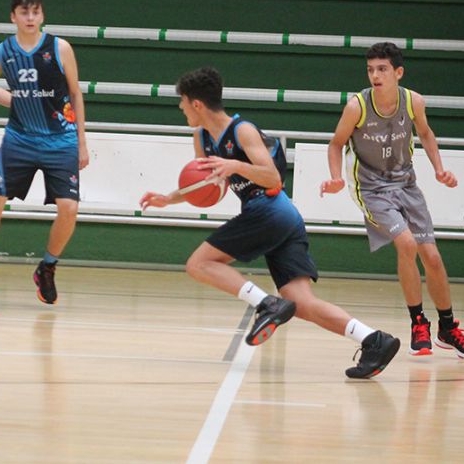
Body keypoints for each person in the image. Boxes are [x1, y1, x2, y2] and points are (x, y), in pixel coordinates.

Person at [141, 67, 400, 379]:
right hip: (282, 218)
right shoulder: (202, 138)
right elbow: (207, 185)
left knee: (199, 264)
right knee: (300, 303)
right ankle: (374, 340)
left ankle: (266, 304)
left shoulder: (242, 131)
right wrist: (169, 198)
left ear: (196, 104)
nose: (181, 109)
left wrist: (235, 164)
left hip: (270, 208)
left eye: (183, 103)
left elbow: (272, 177)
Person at [321, 42, 464, 360]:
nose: (375, 75)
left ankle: (448, 329)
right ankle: (417, 323)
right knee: (406, 244)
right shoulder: (357, 106)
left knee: (433, 258)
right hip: (371, 189)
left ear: (398, 72)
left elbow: (425, 134)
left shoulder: (413, 102)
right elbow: (336, 144)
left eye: (382, 69)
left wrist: (439, 170)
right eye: (370, 69)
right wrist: (336, 176)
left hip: (406, 185)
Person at [0, 0, 89, 308]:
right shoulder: (2, 52)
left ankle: (47, 267)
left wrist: (82, 142)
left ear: (42, 15)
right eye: (24, 12)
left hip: (60, 139)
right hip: (19, 139)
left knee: (69, 208)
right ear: (13, 17)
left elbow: (76, 95)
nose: (30, 17)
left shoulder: (60, 48)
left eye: (35, 12)